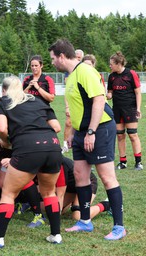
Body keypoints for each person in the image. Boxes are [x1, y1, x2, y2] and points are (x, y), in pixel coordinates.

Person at [49, 39, 125, 240]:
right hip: (81, 130)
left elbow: (99, 100)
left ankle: (119, 226)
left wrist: (91, 132)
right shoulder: (71, 76)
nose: (52, 63)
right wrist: (75, 131)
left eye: (53, 58)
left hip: (99, 128)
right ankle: (84, 221)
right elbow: (78, 107)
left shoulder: (86, 71)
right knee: (80, 174)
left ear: (62, 56)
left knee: (106, 176)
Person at [0, 76, 63, 248]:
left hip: (28, 148)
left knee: (8, 194)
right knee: (49, 193)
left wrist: (6, 141)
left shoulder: (3, 102)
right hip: (53, 146)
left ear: (4, 90)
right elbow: (57, 127)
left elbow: (2, 128)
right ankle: (56, 235)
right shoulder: (39, 101)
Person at [107, 51, 142, 171]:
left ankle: (138, 162)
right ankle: (123, 162)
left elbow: (138, 92)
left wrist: (137, 109)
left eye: (111, 64)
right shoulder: (111, 76)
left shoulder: (131, 74)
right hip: (117, 109)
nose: (110, 66)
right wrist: (108, 95)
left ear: (118, 63)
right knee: (120, 136)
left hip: (130, 108)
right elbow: (110, 92)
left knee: (132, 134)